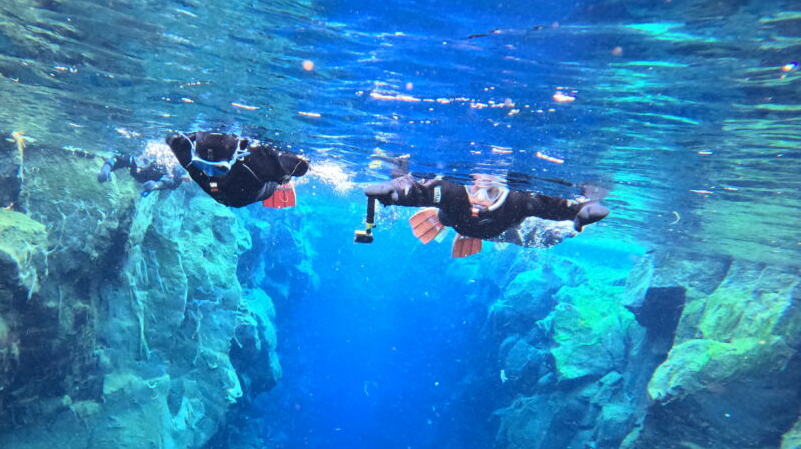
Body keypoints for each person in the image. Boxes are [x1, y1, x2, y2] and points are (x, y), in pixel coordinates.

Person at [359, 170, 609, 257]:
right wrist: (395, 191)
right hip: (452, 221)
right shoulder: (452, 192)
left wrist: (580, 212)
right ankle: (443, 222)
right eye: (474, 188)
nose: (478, 198)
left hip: (499, 231)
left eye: (489, 193)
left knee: (545, 238)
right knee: (447, 214)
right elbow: (419, 192)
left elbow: (555, 208)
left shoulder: (522, 201)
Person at [165, 131, 309, 209]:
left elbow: (170, 138)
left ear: (238, 153)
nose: (210, 172)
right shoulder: (263, 164)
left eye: (219, 168)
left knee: (279, 170)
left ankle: (283, 179)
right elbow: (301, 167)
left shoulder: (258, 160)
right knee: (281, 172)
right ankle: (283, 180)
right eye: (202, 164)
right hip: (236, 195)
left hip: (241, 191)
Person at [98, 150, 184, 196]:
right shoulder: (133, 161)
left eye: (145, 161)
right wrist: (105, 170)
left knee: (176, 180)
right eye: (139, 159)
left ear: (151, 162)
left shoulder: (160, 167)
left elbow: (170, 179)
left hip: (168, 183)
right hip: (148, 180)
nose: (140, 164)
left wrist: (156, 185)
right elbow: (117, 160)